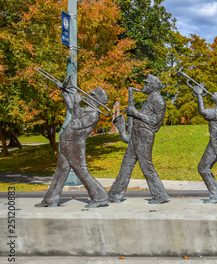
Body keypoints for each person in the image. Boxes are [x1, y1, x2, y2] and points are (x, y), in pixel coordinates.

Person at [36, 81, 109, 208]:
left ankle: (100, 197)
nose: (87, 95)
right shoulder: (87, 110)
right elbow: (72, 109)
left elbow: (75, 124)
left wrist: (76, 103)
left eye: (90, 94)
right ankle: (50, 200)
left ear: (95, 99)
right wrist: (64, 92)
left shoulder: (93, 114)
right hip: (67, 143)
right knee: (60, 171)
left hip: (75, 145)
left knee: (82, 172)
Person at [108, 74, 170, 204]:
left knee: (146, 166)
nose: (144, 86)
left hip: (145, 136)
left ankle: (160, 195)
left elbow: (155, 122)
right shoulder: (149, 99)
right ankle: (114, 195)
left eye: (147, 84)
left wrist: (135, 113)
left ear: (153, 87)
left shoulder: (158, 101)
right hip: (137, 134)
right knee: (126, 165)